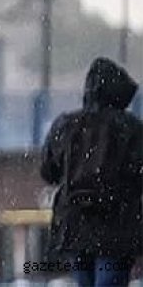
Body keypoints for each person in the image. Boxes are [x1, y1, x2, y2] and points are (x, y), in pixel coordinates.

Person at [41, 57, 142, 287]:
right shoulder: (132, 128)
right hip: (117, 226)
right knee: (110, 279)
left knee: (83, 279)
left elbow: (48, 171)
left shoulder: (66, 125)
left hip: (75, 225)